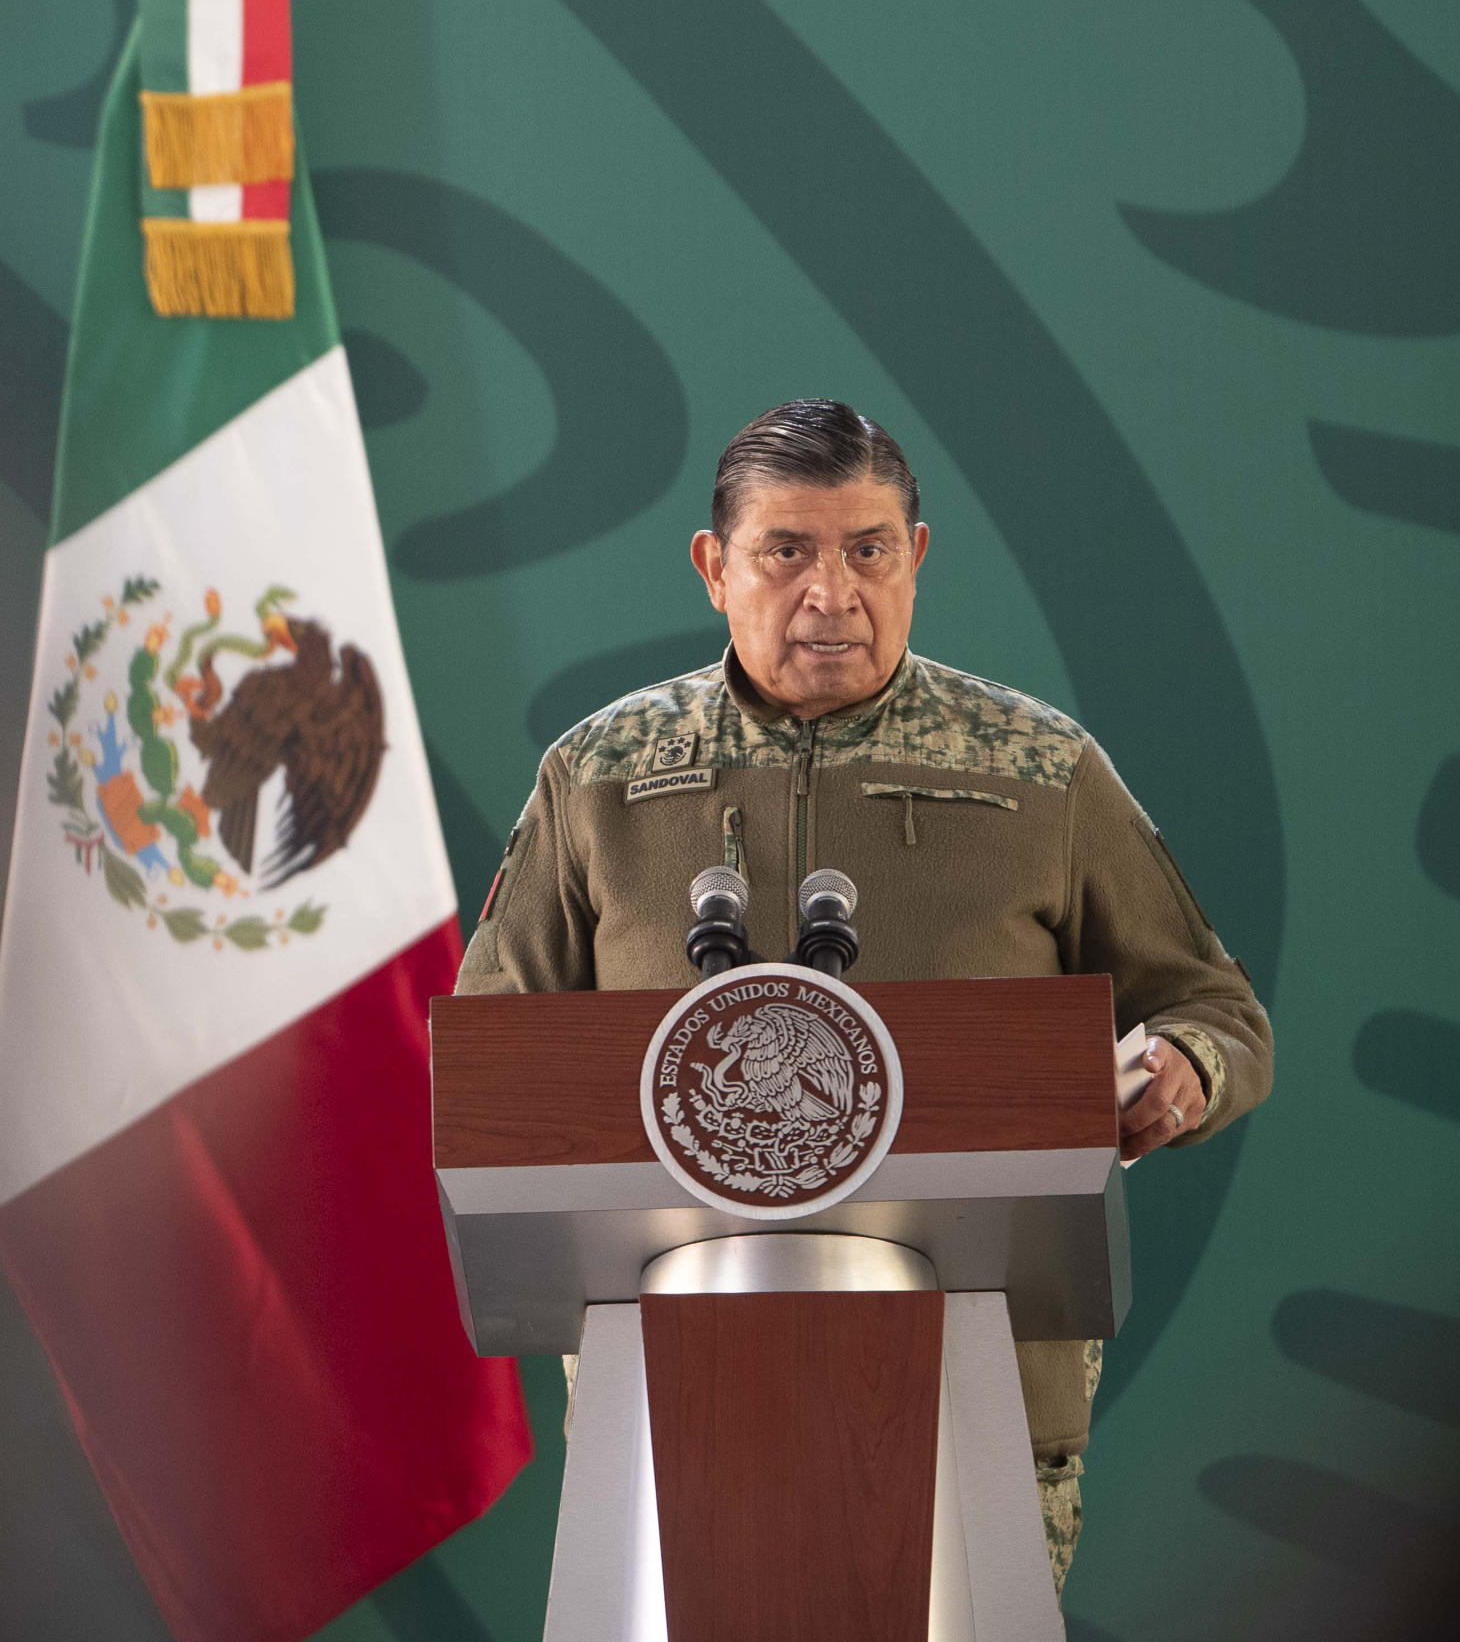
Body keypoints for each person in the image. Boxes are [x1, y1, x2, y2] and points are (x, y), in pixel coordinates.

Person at [456, 399, 1274, 1604]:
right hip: (667, 1387)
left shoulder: (1036, 766)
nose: (831, 592)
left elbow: (1214, 1008)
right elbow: (492, 1057)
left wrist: (1185, 1066)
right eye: (786, 550)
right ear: (714, 567)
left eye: (868, 550)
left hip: (983, 1386)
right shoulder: (601, 775)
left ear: (917, 557)